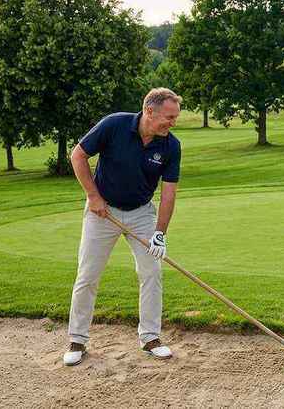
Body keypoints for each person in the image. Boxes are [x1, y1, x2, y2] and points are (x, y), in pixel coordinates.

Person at [63, 88, 183, 366]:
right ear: (149, 111)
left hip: (142, 214)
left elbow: (168, 194)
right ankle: (77, 340)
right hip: (102, 213)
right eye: (169, 117)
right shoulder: (114, 125)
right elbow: (78, 155)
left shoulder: (171, 146)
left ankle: (150, 337)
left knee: (151, 273)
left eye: (175, 117)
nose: (173, 123)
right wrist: (93, 196)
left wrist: (159, 234)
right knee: (88, 275)